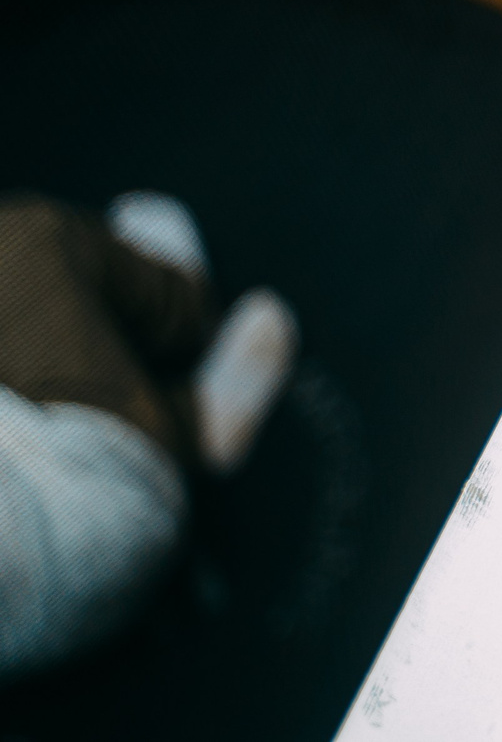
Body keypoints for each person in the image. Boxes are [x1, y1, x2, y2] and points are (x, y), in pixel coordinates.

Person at [0, 192, 298, 680]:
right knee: (21, 241)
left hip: (40, 626)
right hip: (97, 500)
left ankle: (180, 422)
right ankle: (182, 310)